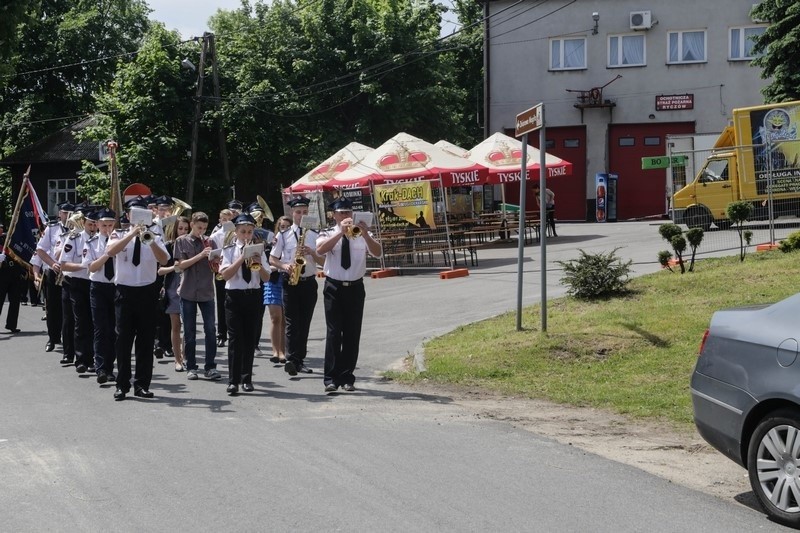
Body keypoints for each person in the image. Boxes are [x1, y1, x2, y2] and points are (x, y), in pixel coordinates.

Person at [105, 199, 170, 401]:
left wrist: (148, 241)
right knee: (123, 340)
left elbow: (165, 260)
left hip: (147, 292)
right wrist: (132, 234)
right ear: (129, 216)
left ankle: (142, 384)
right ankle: (122, 385)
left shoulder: (156, 236)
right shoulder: (118, 234)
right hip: (124, 292)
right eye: (135, 214)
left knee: (145, 341)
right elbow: (110, 252)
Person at [316, 197, 382, 393]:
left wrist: (366, 235)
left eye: (348, 212)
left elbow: (378, 253)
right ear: (334, 215)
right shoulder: (327, 232)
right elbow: (320, 250)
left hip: (355, 287)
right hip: (334, 287)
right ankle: (330, 378)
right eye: (342, 213)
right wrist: (340, 234)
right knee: (334, 332)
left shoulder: (362, 233)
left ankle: (347, 377)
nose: (346, 216)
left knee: (352, 333)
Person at [269, 197, 324, 376]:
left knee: (305, 323)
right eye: (298, 212)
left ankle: (300, 359)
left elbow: (325, 261)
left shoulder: (316, 234)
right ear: (292, 213)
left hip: (308, 282)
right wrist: (285, 266)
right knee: (292, 322)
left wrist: (313, 254)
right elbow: (272, 259)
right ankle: (292, 360)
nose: (301, 215)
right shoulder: (283, 235)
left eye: (305, 212)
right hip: (290, 281)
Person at [219, 213, 270, 394]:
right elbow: (224, 275)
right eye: (243, 232)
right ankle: (233, 381)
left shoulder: (260, 249)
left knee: (249, 339)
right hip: (234, 296)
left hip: (253, 296)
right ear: (236, 232)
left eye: (249, 232)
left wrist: (259, 263)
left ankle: (246, 379)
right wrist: (241, 258)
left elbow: (266, 277)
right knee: (235, 339)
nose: (246, 236)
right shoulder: (228, 250)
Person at [173, 211, 221, 381]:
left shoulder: (211, 241)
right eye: (199, 227)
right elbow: (180, 266)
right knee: (190, 331)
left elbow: (216, 269)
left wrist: (215, 263)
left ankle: (210, 366)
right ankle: (191, 366)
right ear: (192, 225)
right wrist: (200, 255)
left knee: (210, 330)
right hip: (188, 291)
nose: (202, 231)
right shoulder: (181, 241)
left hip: (207, 291)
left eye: (204, 228)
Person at [60, 207, 98, 374]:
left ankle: (94, 358)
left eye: (95, 224)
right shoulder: (74, 239)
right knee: (81, 321)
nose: (93, 227)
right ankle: (81, 359)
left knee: (96, 323)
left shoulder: (101, 239)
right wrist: (83, 266)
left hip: (96, 283)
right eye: (90, 224)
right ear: (83, 223)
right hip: (78, 282)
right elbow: (64, 264)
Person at [84, 208, 119, 384]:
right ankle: (100, 368)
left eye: (110, 225)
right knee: (100, 329)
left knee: (113, 329)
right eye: (104, 225)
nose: (107, 228)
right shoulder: (91, 243)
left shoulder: (120, 241)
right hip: (98, 287)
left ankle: (110, 368)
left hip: (116, 287)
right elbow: (92, 267)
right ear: (97, 225)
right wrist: (107, 254)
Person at [36, 202, 71, 355]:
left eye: (70, 212)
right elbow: (40, 250)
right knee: (53, 307)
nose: (68, 215)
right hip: (54, 271)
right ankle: (53, 338)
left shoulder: (78, 228)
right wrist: (52, 263)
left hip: (71, 272)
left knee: (69, 309)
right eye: (65, 212)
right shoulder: (52, 228)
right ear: (59, 214)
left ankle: (70, 340)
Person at [158, 216, 190, 372]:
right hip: (172, 288)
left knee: (188, 326)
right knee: (176, 325)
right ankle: (177, 359)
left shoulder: (192, 244)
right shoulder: (168, 246)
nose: (183, 232)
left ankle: (186, 356)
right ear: (175, 229)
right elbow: (159, 270)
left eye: (186, 229)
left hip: (189, 287)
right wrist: (173, 268)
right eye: (180, 228)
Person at [264, 216, 291, 364]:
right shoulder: (271, 243)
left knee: (285, 319)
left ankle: (284, 351)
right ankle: (276, 351)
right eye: (282, 226)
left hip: (287, 281)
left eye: (287, 226)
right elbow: (265, 264)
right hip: (273, 280)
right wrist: (280, 266)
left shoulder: (293, 242)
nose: (284, 229)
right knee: (276, 317)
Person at [210, 205, 236, 347]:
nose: (226, 222)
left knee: (232, 303)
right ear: (220, 220)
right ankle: (221, 333)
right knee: (221, 302)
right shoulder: (215, 236)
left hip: (233, 271)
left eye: (229, 219)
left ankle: (232, 331)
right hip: (220, 271)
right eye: (224, 219)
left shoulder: (236, 234)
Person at [0, 223, 25, 334]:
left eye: (1, 228)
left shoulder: (12, 241)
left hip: (14, 274)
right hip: (2, 275)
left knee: (15, 301)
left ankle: (12, 325)